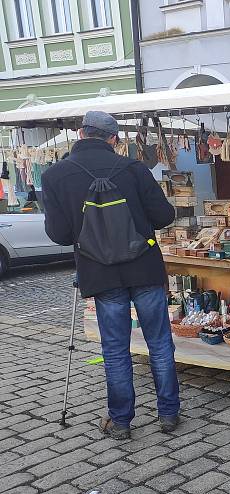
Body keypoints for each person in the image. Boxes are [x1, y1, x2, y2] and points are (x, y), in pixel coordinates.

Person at [41, 111, 179, 440]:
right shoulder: (134, 169)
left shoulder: (55, 175)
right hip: (144, 267)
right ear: (114, 139)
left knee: (115, 349)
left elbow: (59, 235)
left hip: (99, 271)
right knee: (159, 343)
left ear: (79, 134)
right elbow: (164, 216)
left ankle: (121, 422)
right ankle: (169, 414)